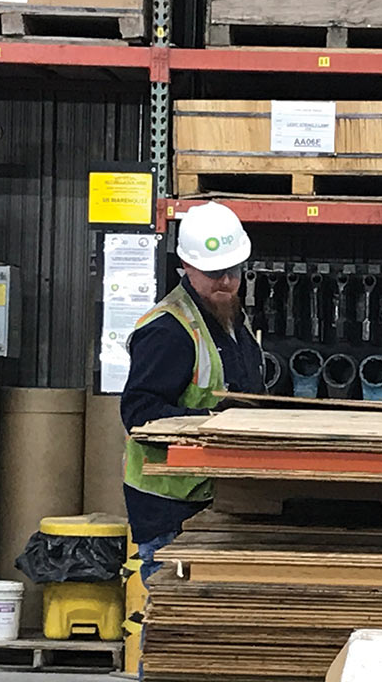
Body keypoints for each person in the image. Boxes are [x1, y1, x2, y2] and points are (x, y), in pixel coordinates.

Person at [120, 201, 263, 582]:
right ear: (186, 267)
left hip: (214, 498)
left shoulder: (231, 320)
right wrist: (215, 424)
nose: (226, 281)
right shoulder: (168, 330)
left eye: (233, 271)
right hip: (171, 508)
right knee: (174, 615)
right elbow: (138, 412)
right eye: (215, 272)